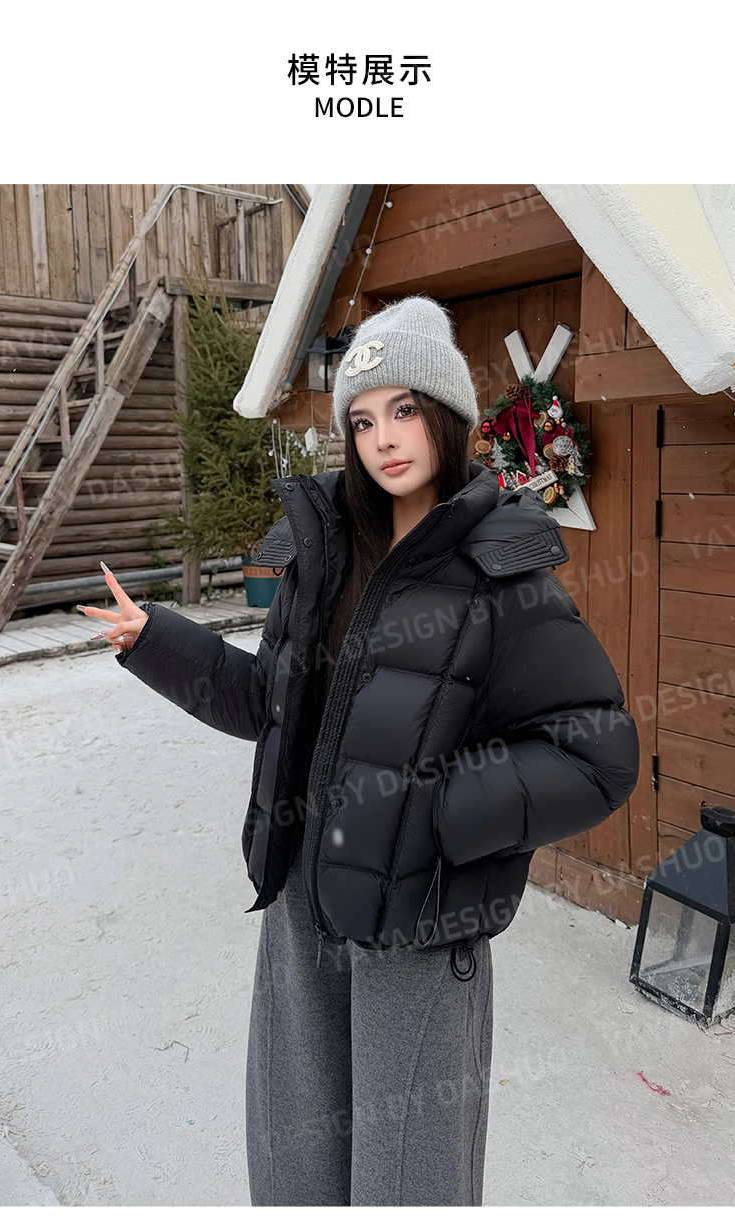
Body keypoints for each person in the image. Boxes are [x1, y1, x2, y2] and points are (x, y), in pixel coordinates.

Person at [77, 294, 640, 1206]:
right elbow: (270, 704)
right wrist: (157, 641)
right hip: (302, 900)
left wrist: (436, 811)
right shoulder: (326, 555)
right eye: (364, 419)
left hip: (418, 918)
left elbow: (597, 754)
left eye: (404, 409)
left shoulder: (502, 571)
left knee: (406, 1176)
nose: (384, 439)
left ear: (445, 415)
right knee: (297, 1160)